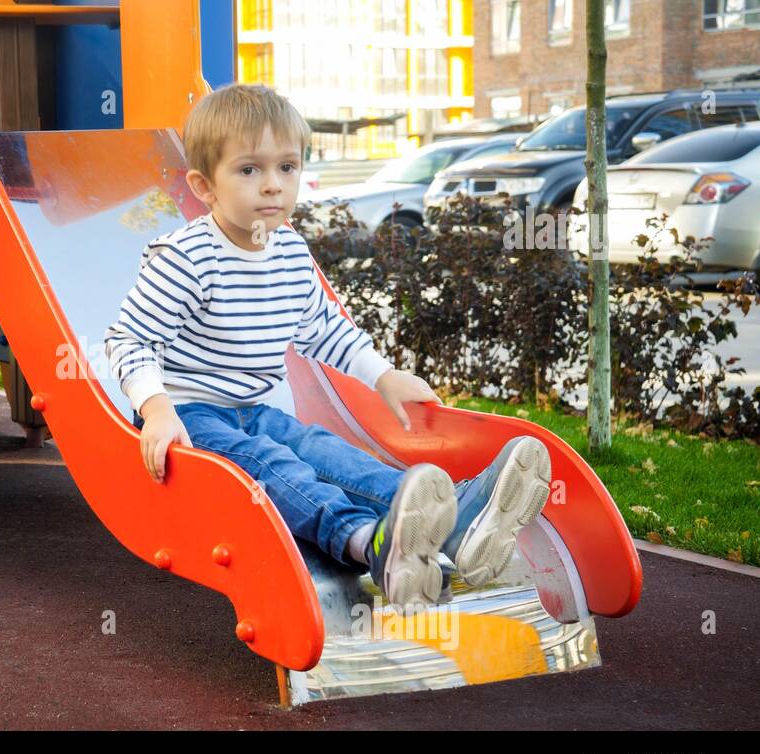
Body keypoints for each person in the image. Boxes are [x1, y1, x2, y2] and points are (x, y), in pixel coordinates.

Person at [102, 84, 552, 606]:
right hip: (190, 417)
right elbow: (130, 338)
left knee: (327, 453)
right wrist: (156, 411)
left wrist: (383, 375)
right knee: (272, 467)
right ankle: (370, 544)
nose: (273, 185)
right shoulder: (187, 258)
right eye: (249, 170)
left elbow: (322, 327)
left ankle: (452, 517)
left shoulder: (289, 250)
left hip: (254, 408)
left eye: (286, 167)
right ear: (205, 185)